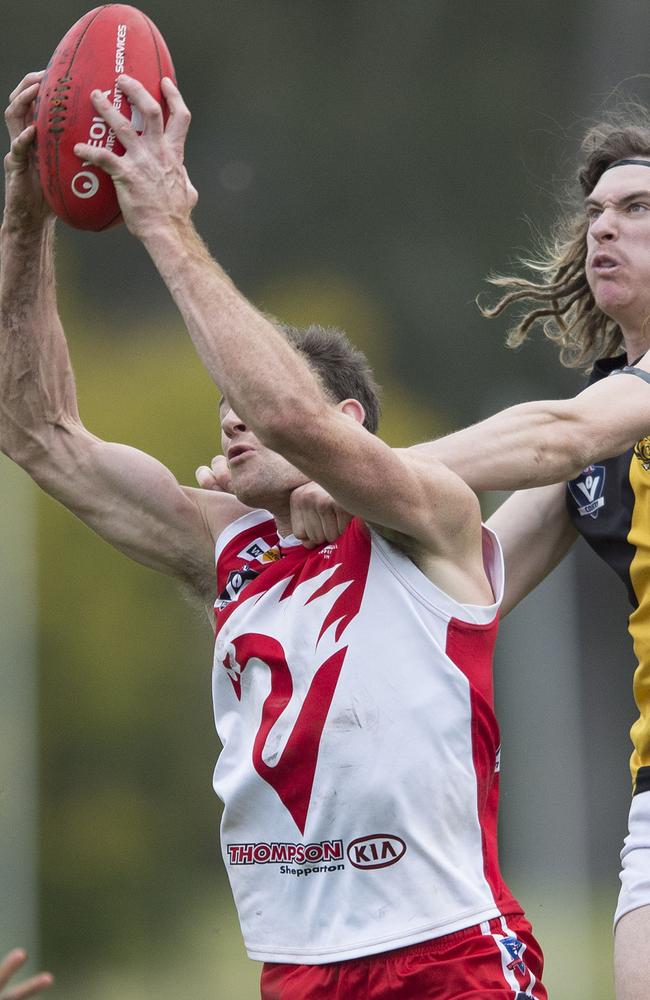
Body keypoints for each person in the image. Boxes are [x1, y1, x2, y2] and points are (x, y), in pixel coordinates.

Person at [2, 73, 549, 998]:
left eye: (250, 403)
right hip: (296, 965)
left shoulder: (429, 520)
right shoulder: (229, 548)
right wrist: (25, 216)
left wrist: (166, 224)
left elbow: (292, 420)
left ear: (348, 420)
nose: (233, 419)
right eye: (227, 408)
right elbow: (36, 431)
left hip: (444, 951)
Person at [242, 117, 650, 1000]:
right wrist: (284, 516)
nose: (604, 228)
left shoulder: (596, 421)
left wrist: (352, 471)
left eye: (638, 207)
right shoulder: (604, 424)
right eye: (596, 213)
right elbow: (459, 577)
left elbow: (553, 437)